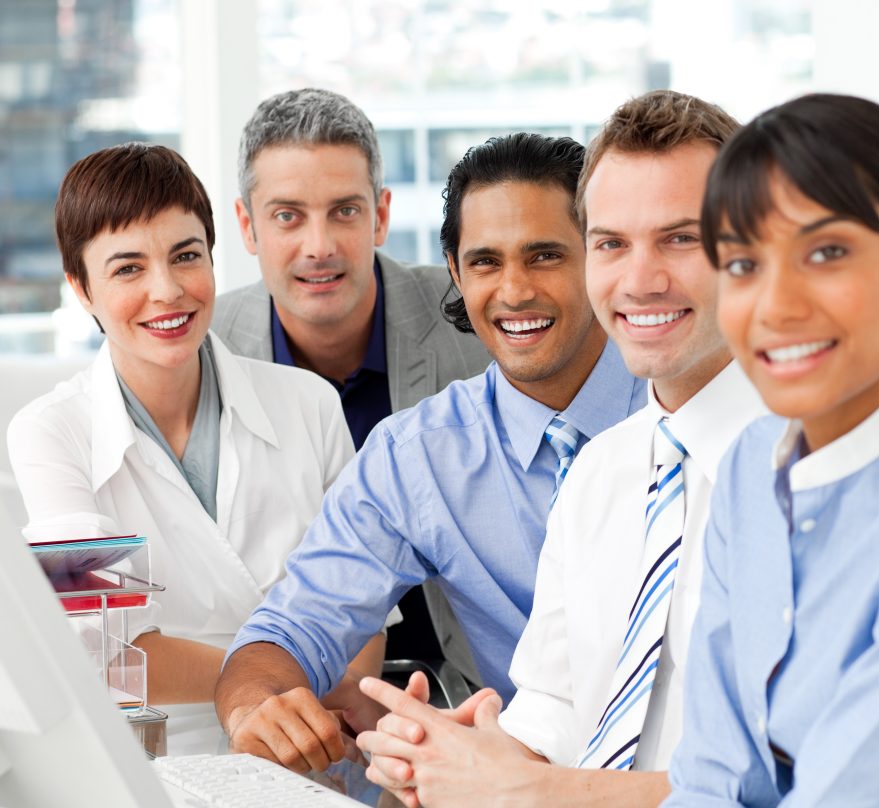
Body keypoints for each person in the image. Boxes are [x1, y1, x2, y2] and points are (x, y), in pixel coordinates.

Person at [355, 90, 765, 808]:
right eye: (611, 243)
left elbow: (792, 778)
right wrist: (461, 755)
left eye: (679, 238)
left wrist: (537, 790)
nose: (638, 280)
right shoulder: (601, 473)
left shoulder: (817, 471)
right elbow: (550, 711)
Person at [214, 132, 647, 773]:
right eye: (484, 262)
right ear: (454, 270)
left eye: (546, 256)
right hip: (517, 781)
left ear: (600, 254)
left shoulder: (677, 410)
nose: (514, 290)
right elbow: (289, 629)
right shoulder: (417, 456)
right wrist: (256, 706)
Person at [661, 93, 879, 806]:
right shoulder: (750, 462)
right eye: (741, 264)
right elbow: (708, 773)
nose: (776, 305)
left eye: (825, 253)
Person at [6, 143, 383, 753]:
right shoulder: (51, 431)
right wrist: (272, 684)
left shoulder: (308, 402)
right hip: (156, 753)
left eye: (186, 256)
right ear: (81, 288)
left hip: (317, 739)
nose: (167, 290)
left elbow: (363, 603)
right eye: (128, 268)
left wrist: (321, 700)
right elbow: (108, 649)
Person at [213, 88, 491, 667]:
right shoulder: (205, 348)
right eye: (288, 216)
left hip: (460, 687)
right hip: (290, 688)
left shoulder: (474, 324)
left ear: (381, 215)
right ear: (247, 226)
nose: (320, 247)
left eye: (345, 211)